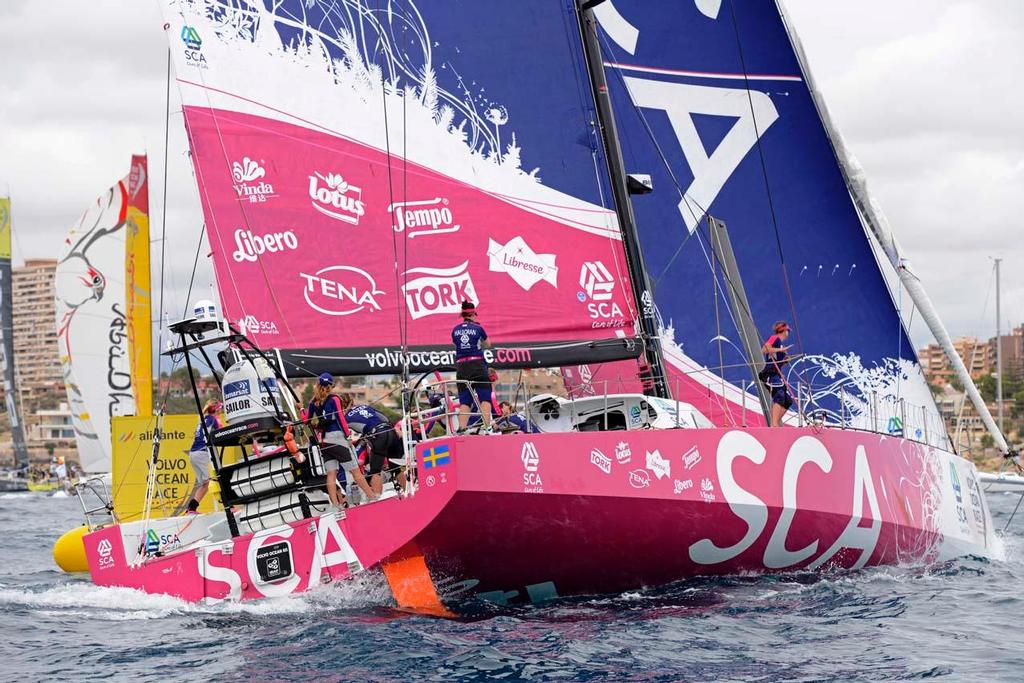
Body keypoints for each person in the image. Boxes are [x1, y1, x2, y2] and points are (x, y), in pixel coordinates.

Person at [307, 373, 376, 507]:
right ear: (331, 385)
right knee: (356, 471)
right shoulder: (335, 399)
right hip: (338, 439)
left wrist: (302, 409)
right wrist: (348, 437)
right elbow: (340, 418)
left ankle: (335, 506)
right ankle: (372, 497)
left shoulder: (313, 402)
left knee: (331, 474)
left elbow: (306, 420)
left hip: (324, 442)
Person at [339, 394, 407, 496]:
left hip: (378, 436)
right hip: (391, 431)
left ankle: (377, 499)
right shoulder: (365, 406)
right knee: (396, 467)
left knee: (375, 471)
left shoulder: (344, 418)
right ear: (352, 402)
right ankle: (408, 492)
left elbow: (347, 435)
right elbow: (384, 417)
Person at [452, 300, 493, 431]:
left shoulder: (455, 330)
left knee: (465, 401)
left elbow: (456, 344)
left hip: (461, 367)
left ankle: (461, 429)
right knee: (485, 398)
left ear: (462, 315)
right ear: (473, 314)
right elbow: (488, 344)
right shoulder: (478, 328)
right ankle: (488, 428)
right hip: (477, 365)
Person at [186, 399, 223, 514]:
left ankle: (191, 509)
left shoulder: (202, 420)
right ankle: (227, 505)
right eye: (220, 409)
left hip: (193, 454)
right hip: (201, 453)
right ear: (216, 410)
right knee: (216, 479)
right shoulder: (214, 420)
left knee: (205, 484)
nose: (221, 411)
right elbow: (221, 433)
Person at [761, 321, 794, 427]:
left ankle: (775, 423)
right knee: (779, 395)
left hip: (776, 374)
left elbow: (776, 362)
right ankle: (774, 424)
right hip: (770, 373)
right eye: (787, 330)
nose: (788, 333)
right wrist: (782, 350)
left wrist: (784, 361)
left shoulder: (780, 345)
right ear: (784, 330)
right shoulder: (775, 338)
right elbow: (765, 349)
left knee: (787, 401)